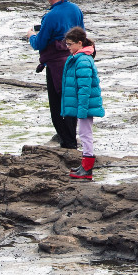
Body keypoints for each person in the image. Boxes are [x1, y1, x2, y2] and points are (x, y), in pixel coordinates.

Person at [25, 0, 85, 150]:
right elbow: (82, 34)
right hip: (74, 61)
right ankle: (71, 138)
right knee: (71, 101)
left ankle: (68, 142)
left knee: (57, 106)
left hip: (56, 67)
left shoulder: (50, 16)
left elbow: (39, 44)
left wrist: (30, 36)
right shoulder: (75, 9)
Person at [58, 26, 104, 180]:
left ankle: (87, 168)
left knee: (85, 134)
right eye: (67, 44)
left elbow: (85, 88)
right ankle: (85, 164)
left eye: (70, 44)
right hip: (83, 105)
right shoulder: (80, 57)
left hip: (85, 105)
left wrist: (82, 109)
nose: (68, 47)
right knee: (84, 134)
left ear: (79, 43)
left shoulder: (83, 59)